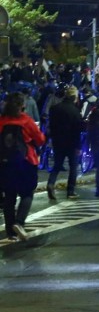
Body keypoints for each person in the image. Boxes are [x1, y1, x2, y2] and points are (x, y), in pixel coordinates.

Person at [0, 92, 46, 241]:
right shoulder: (26, 120)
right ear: (22, 106)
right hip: (26, 162)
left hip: (6, 163)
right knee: (27, 193)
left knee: (9, 197)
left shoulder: (2, 121)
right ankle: (19, 222)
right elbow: (40, 140)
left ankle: (10, 231)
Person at [46, 85, 84, 201]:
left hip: (58, 141)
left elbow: (51, 126)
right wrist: (78, 145)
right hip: (71, 143)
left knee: (57, 165)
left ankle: (51, 183)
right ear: (74, 97)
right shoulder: (75, 111)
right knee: (73, 167)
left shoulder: (55, 108)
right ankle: (70, 191)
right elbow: (77, 130)